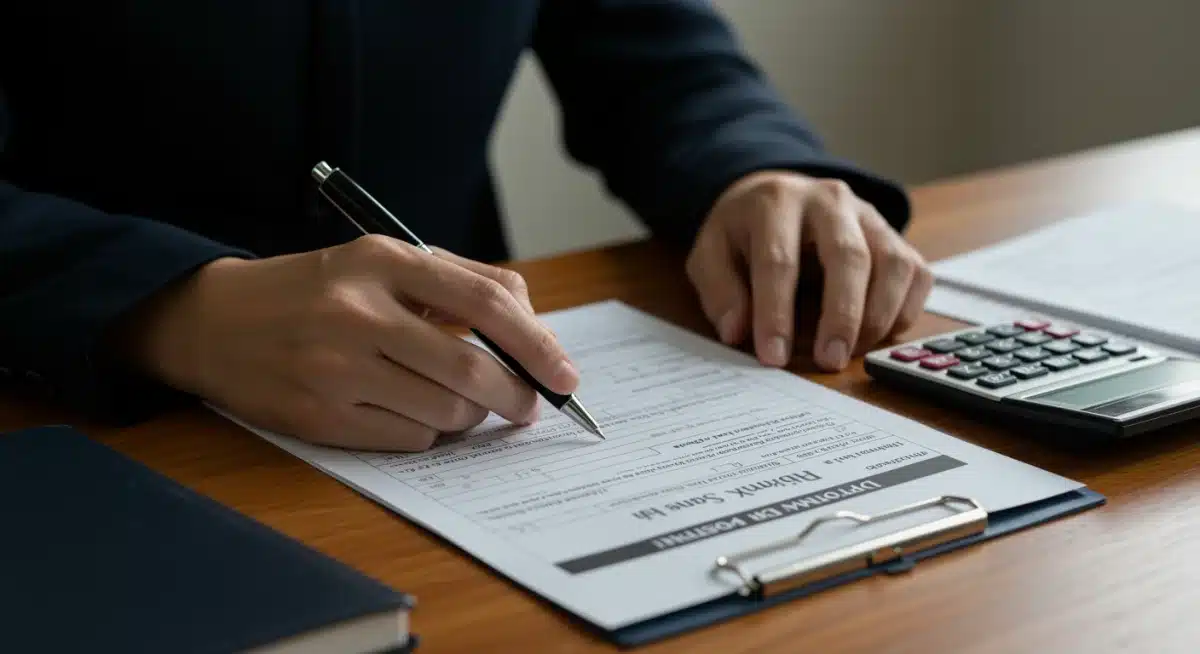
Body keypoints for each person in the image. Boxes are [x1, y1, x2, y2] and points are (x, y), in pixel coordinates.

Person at [0, 2, 931, 452]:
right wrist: (165, 306)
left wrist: (757, 167)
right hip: (77, 418)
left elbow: (657, 54)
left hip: (452, 410)